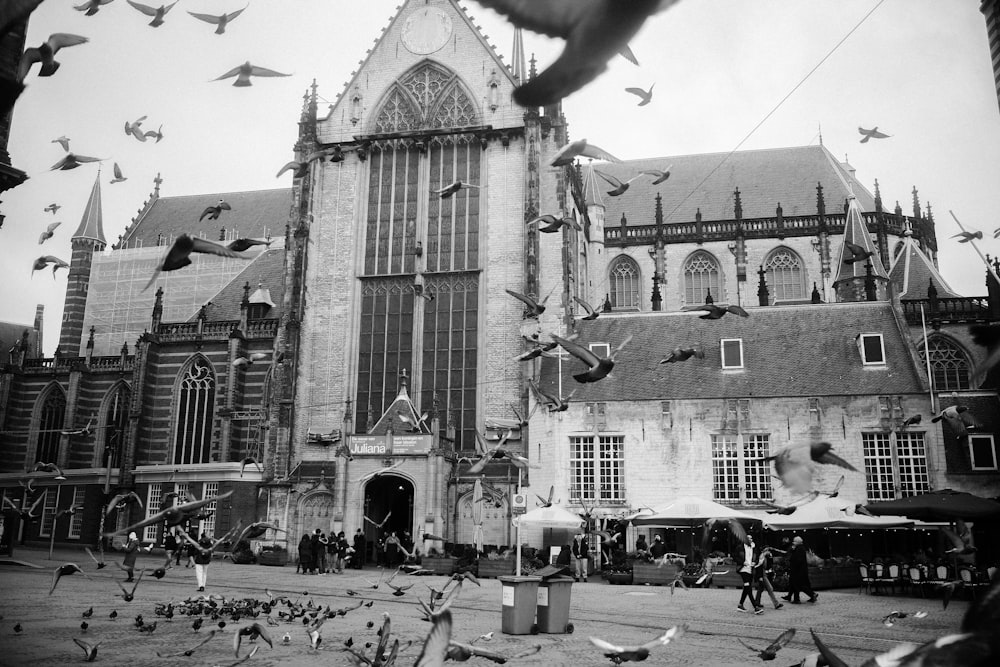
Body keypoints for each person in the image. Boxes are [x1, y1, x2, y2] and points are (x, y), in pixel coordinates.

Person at [783, 536, 818, 604]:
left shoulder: (800, 549)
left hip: (798, 570)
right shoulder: (799, 548)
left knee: (800, 585)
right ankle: (793, 597)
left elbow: (797, 560)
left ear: (798, 542)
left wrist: (791, 559)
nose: (793, 543)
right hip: (799, 570)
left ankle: (811, 595)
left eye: (794, 541)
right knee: (796, 584)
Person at [737, 534, 764, 614]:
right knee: (748, 586)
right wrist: (742, 562)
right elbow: (735, 557)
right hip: (743, 569)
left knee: (746, 588)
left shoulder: (755, 548)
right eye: (747, 538)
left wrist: (754, 562)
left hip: (751, 569)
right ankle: (755, 607)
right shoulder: (740, 547)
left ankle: (740, 604)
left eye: (750, 538)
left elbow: (757, 558)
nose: (749, 539)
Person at [753, 545, 785, 610]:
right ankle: (776, 604)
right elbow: (759, 567)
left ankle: (756, 602)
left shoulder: (767, 556)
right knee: (770, 588)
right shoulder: (761, 557)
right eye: (766, 550)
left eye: (768, 550)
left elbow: (770, 565)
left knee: (761, 589)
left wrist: (770, 557)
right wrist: (760, 577)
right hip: (762, 574)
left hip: (765, 574)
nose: (768, 551)